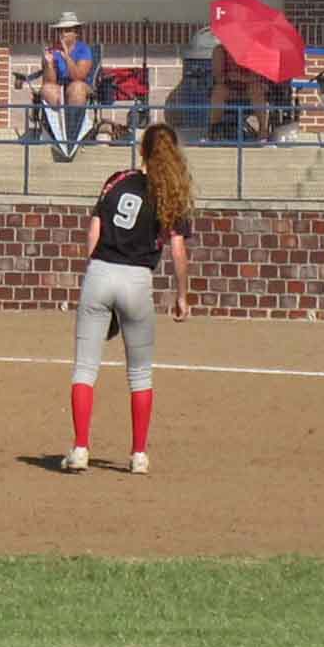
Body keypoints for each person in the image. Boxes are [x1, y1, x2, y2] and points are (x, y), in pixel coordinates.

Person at [64, 123, 194, 476]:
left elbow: (95, 231)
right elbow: (178, 251)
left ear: (143, 151)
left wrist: (93, 278)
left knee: (85, 369)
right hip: (137, 280)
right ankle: (138, 455)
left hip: (102, 271)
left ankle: (79, 449)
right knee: (139, 374)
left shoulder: (117, 180)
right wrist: (182, 295)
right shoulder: (171, 193)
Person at [206, 43, 273, 140]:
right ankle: (214, 129)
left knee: (256, 89)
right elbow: (218, 76)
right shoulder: (220, 50)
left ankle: (263, 130)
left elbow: (256, 77)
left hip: (249, 89)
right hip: (228, 88)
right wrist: (230, 77)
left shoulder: (254, 51)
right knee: (219, 91)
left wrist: (240, 77)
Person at [39, 11, 98, 117]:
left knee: (76, 87)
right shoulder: (53, 50)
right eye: (60, 30)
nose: (63, 34)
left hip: (81, 87)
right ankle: (61, 122)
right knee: (47, 89)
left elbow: (78, 76)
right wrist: (49, 64)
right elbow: (49, 81)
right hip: (60, 89)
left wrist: (67, 57)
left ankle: (72, 124)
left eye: (67, 30)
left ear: (76, 33)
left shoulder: (83, 49)